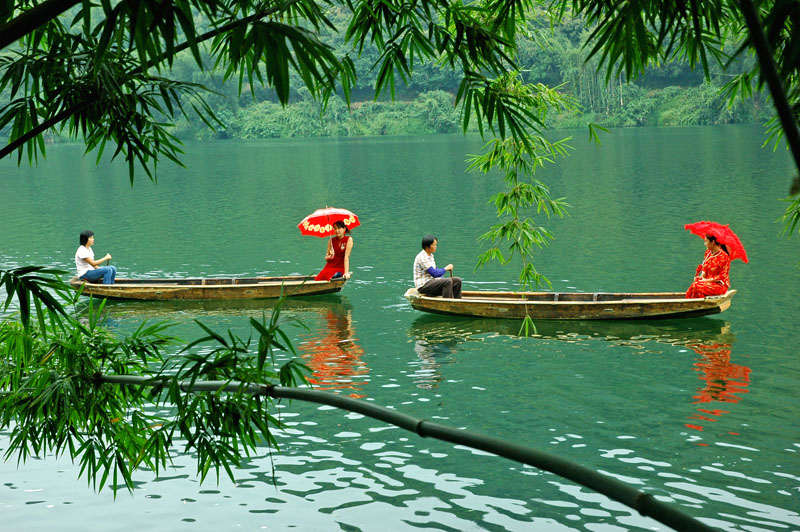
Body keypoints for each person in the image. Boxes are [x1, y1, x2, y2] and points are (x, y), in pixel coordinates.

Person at [413, 234, 462, 299]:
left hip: (432, 282)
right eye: (434, 245)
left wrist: (442, 279)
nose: (435, 247)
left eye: (436, 245)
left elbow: (436, 271)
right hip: (423, 286)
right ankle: (447, 304)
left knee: (457, 281)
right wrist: (446, 268)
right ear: (427, 246)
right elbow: (435, 274)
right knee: (447, 281)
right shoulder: (422, 257)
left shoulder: (430, 256)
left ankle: (457, 302)